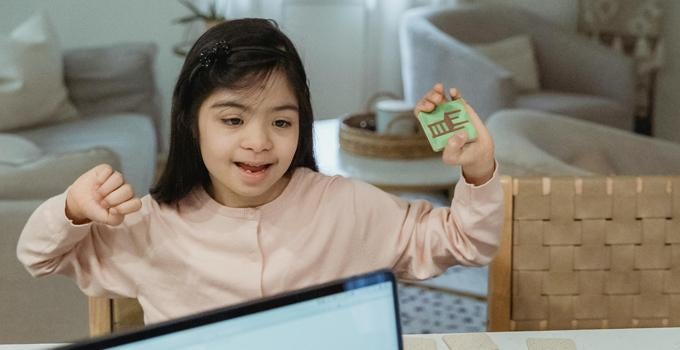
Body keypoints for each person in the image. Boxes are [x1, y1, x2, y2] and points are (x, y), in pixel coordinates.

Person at [17, 18, 503, 325]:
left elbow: (466, 241)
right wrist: (70, 209)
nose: (259, 141)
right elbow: (39, 257)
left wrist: (478, 171)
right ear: (191, 123)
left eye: (281, 121)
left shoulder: (348, 206)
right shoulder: (151, 226)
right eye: (233, 119)